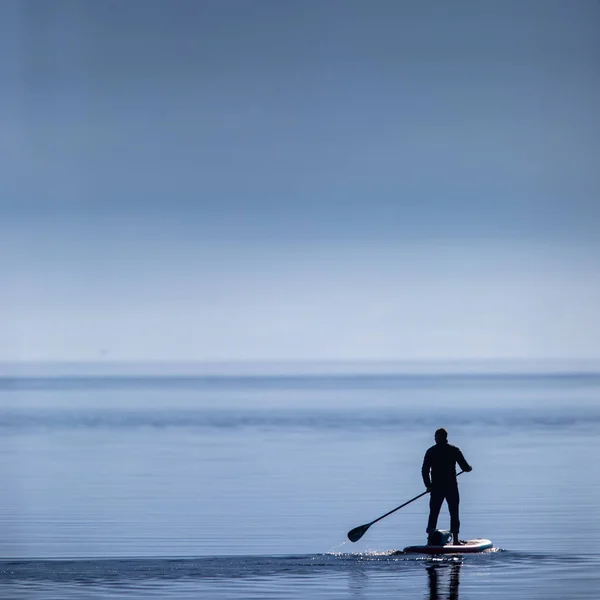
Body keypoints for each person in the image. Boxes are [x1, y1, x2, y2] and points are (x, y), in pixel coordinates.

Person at [422, 428, 472, 545]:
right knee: (453, 512)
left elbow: (425, 470)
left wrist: (428, 485)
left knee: (434, 513)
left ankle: (430, 540)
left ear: (439, 438)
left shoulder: (431, 451)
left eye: (436, 436)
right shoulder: (453, 450)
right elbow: (465, 467)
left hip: (436, 488)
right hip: (450, 487)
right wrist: (469, 468)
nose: (435, 438)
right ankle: (455, 540)